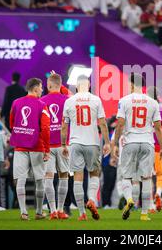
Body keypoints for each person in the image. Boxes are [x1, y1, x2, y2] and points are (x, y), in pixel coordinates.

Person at [111, 73, 162, 221]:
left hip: (130, 142)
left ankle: (129, 200)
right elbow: (158, 128)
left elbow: (120, 124)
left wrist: (115, 143)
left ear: (131, 84)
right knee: (147, 178)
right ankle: (144, 214)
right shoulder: (153, 102)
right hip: (147, 142)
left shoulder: (124, 101)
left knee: (127, 176)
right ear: (142, 86)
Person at [61, 75, 110, 221]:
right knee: (94, 174)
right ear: (88, 85)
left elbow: (64, 127)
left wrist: (64, 144)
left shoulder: (69, 101)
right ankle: (92, 200)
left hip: (75, 143)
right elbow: (102, 123)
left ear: (76, 86)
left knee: (77, 177)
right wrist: (107, 142)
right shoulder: (96, 100)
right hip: (93, 142)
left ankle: (82, 213)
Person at [9, 78, 50, 221]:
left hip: (20, 146)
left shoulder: (16, 103)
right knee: (40, 180)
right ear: (35, 88)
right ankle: (39, 212)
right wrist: (46, 149)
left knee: (20, 179)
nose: (42, 90)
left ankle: (23, 212)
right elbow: (45, 128)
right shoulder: (42, 105)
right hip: (37, 146)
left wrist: (22, 133)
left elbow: (12, 123)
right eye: (41, 87)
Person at [40, 74, 70, 220]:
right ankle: (60, 210)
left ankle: (52, 210)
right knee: (64, 176)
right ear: (60, 85)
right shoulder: (68, 100)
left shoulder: (41, 100)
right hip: (64, 144)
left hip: (47, 146)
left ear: (49, 85)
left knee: (48, 177)